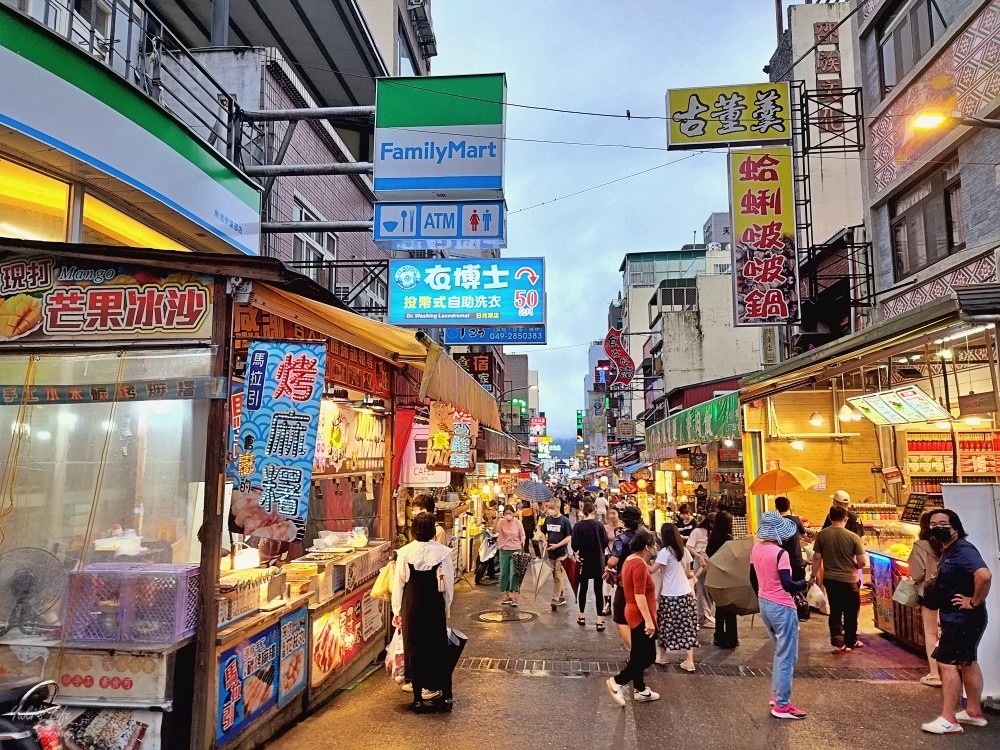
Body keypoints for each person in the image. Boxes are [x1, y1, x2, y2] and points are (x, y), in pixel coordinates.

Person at [920, 508, 992, 735]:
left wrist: (974, 601)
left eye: (943, 523)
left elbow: (984, 575)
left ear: (956, 527)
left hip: (961, 618)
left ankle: (949, 719)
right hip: (964, 618)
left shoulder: (962, 549)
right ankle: (973, 712)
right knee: (968, 661)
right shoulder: (949, 550)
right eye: (933, 524)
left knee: (947, 663)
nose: (937, 527)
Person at [392, 512, 455, 713]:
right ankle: (446, 695)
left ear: (414, 530)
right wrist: (446, 605)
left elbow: (399, 583)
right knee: (438, 647)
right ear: (431, 530)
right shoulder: (442, 553)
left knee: (414, 650)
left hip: (412, 605)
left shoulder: (405, 553)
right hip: (434, 604)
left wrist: (396, 611)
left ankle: (418, 698)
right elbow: (448, 584)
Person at [751, 511, 809, 720]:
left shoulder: (756, 549)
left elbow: (753, 578)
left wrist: (764, 592)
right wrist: (802, 584)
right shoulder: (780, 554)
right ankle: (782, 704)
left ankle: (777, 695)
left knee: (780, 651)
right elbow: (787, 584)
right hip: (782, 606)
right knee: (786, 655)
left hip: (764, 603)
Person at [605, 529, 660, 706]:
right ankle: (618, 681)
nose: (655, 548)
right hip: (640, 614)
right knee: (648, 656)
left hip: (634, 612)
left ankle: (641, 689)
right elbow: (640, 595)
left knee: (637, 654)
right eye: (653, 545)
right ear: (647, 547)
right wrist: (650, 621)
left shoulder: (630, 560)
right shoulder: (639, 565)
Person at [811, 505, 866, 653]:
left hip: (831, 579)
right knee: (851, 611)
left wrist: (812, 576)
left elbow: (817, 557)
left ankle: (837, 642)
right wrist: (854, 566)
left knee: (835, 610)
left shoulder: (822, 535)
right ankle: (850, 641)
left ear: (829, 518)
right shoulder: (853, 537)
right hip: (850, 580)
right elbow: (862, 562)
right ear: (846, 519)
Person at [650, 523, 697, 672]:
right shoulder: (683, 551)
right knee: (686, 626)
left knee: (665, 626)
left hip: (670, 594)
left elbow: (652, 570)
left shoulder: (665, 552)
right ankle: (689, 661)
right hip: (686, 593)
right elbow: (688, 572)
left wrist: (638, 560)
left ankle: (661, 656)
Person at [908, 508, 943, 687]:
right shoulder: (948, 544)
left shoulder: (921, 546)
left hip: (929, 594)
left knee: (931, 633)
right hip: (950, 593)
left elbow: (917, 574)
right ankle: (951, 671)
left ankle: (935, 674)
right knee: (946, 632)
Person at [605, 505, 643, 647]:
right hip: (642, 582)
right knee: (639, 618)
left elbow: (612, 561)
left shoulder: (622, 539)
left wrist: (608, 566)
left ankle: (635, 653)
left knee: (621, 620)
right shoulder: (644, 537)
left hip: (625, 583)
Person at [571, 501, 610, 629]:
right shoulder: (599, 525)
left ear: (583, 511)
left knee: (583, 589)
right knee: (598, 590)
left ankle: (582, 615)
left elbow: (574, 545)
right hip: (598, 561)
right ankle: (599, 619)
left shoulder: (578, 526)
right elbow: (605, 542)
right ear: (593, 511)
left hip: (584, 561)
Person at [706, 510, 738, 648]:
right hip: (729, 576)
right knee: (730, 609)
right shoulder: (729, 539)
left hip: (717, 576)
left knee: (719, 608)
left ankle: (719, 636)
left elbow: (709, 553)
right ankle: (731, 637)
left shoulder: (713, 538)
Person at [686, 513, 716, 627]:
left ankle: (706, 614)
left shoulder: (713, 532)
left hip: (709, 560)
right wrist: (698, 556)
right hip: (700, 560)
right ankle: (704, 617)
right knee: (702, 589)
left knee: (708, 590)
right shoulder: (697, 531)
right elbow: (689, 546)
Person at [542, 500, 573, 607]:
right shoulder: (548, 519)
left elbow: (569, 537)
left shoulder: (565, 521)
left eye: (551, 507)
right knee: (555, 575)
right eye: (548, 507)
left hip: (561, 552)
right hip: (551, 553)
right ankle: (562, 596)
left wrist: (558, 545)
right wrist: (544, 541)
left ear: (558, 507)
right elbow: (542, 532)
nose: (549, 509)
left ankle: (555, 598)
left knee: (558, 575)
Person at [494, 505, 525, 607]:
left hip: (515, 549)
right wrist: (497, 518)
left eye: (510, 513)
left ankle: (514, 597)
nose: (508, 515)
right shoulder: (501, 522)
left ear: (513, 514)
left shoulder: (518, 523)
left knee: (514, 573)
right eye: (506, 514)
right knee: (504, 573)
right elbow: (494, 531)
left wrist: (522, 540)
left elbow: (522, 534)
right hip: (504, 550)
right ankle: (507, 595)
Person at [774, 496, 806, 581]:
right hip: (796, 559)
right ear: (789, 507)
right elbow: (804, 535)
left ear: (776, 507)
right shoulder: (796, 519)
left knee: (783, 586)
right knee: (798, 586)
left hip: (780, 559)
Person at [601, 507, 622, 616]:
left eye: (614, 513)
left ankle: (620, 604)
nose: (612, 516)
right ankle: (607, 604)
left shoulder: (623, 527)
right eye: (610, 513)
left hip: (621, 557)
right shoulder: (605, 528)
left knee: (621, 580)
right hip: (609, 556)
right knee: (607, 580)